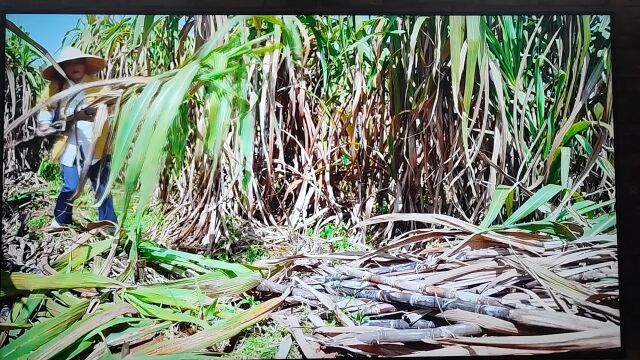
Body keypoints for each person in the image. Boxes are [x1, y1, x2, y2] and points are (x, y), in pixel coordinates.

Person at [37, 46, 117, 228]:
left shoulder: (98, 86)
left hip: (96, 146)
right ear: (63, 68)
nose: (74, 66)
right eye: (69, 63)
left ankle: (108, 225)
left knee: (102, 188)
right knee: (70, 186)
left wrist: (103, 109)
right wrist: (45, 123)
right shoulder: (55, 89)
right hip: (70, 147)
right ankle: (61, 220)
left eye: (78, 62)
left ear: (84, 65)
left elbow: (111, 107)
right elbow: (45, 109)